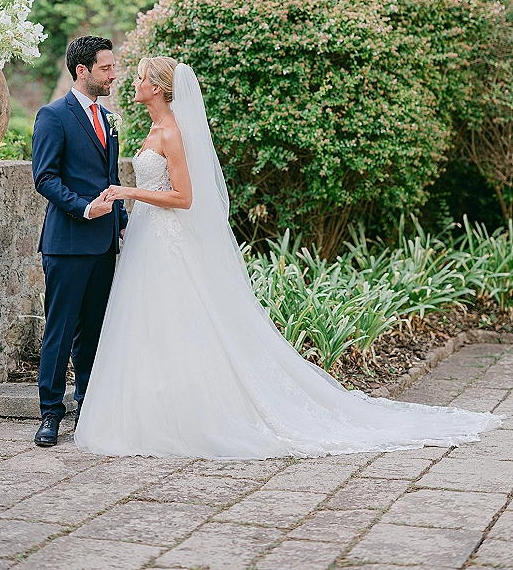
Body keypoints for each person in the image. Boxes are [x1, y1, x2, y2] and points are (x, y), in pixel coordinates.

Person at [74, 57, 502, 459]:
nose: (135, 82)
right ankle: (153, 413)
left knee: (185, 323)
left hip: (170, 242)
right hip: (149, 238)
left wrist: (129, 192)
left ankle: (196, 416)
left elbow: (185, 197)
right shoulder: (149, 130)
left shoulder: (172, 133)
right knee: (151, 327)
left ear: (161, 88)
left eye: (143, 76)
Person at [32, 36, 128, 447]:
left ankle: (87, 407)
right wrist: (86, 209)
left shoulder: (108, 119)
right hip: (67, 242)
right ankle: (51, 414)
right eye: (106, 68)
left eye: (113, 67)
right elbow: (45, 178)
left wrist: (121, 222)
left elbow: (112, 180)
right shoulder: (53, 116)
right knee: (61, 329)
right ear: (82, 71)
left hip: (104, 244)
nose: (113, 75)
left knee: (93, 332)